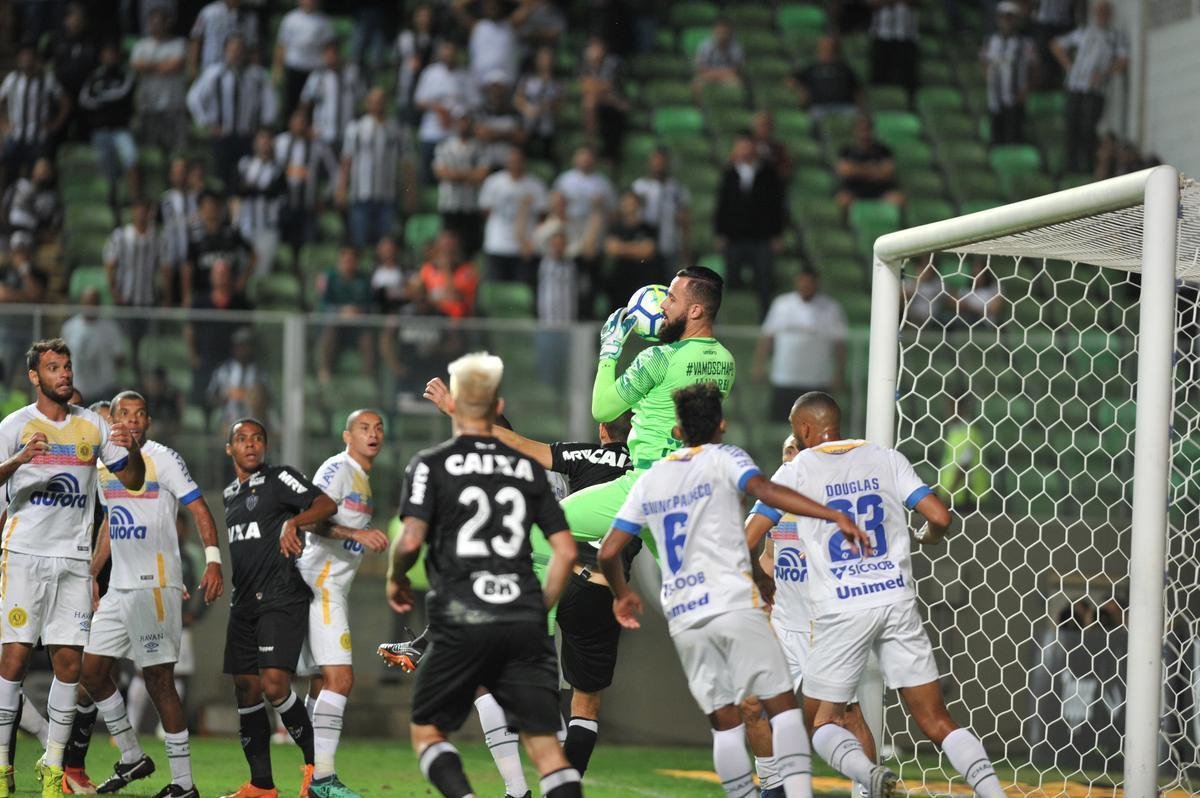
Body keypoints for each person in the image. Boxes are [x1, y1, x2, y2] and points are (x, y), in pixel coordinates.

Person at [597, 382, 871, 798]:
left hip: (689, 615)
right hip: (736, 604)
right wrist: (830, 514)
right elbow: (765, 493)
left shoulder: (650, 479)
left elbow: (609, 551)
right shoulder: (728, 459)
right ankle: (788, 791)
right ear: (721, 424)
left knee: (726, 722)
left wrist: (622, 593)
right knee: (780, 712)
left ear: (676, 430)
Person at [750, 391, 1008, 798]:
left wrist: (747, 578)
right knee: (936, 720)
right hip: (896, 600)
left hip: (841, 609)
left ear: (803, 429)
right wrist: (929, 535)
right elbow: (941, 515)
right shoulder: (886, 457)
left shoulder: (798, 470)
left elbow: (746, 537)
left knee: (822, 724)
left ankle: (870, 781)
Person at [551, 266, 736, 771]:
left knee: (544, 524)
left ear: (695, 309)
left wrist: (612, 349)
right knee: (696, 610)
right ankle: (746, 718)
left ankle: (538, 646)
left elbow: (603, 407)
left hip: (647, 486)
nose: (663, 305)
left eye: (671, 297)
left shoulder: (657, 358)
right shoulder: (723, 360)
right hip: (690, 494)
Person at [418, 378, 635, 789]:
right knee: (585, 704)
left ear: (604, 430)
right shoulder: (652, 471)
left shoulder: (572, 456)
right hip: (605, 589)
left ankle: (517, 788)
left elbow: (515, 449)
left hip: (553, 578)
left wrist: (454, 408)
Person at [385, 352, 582, 798]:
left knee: (429, 733)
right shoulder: (532, 470)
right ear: (498, 409)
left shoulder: (430, 464)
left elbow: (411, 540)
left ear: (455, 409)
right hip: (521, 615)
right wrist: (539, 608)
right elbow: (566, 551)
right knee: (548, 748)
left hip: (463, 616)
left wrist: (396, 577)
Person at [0, 338, 145, 795]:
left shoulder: (92, 427)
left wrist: (134, 447)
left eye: (67, 366)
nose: (64, 374)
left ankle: (52, 764)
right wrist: (20, 459)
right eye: (53, 367)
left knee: (69, 664)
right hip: (23, 555)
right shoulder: (15, 425)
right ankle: (3, 765)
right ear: (34, 377)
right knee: (14, 659)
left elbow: (134, 480)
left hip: (74, 561)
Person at [69, 391, 224, 797]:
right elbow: (110, 524)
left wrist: (212, 560)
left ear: (148, 422)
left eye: (140, 414)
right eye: (125, 414)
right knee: (91, 671)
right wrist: (92, 572)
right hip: (119, 588)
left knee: (159, 681)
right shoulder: (107, 462)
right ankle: (132, 755)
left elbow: (199, 507)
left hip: (155, 585)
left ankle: (184, 785)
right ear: (113, 419)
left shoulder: (164, 458)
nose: (133, 421)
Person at [744, 430, 882, 798]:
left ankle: (867, 790)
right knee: (752, 705)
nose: (790, 456)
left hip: (829, 628)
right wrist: (763, 584)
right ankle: (773, 790)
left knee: (844, 716)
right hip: (786, 626)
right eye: (786, 449)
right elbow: (767, 556)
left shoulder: (835, 498)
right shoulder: (774, 504)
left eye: (797, 449)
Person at [219, 417, 336, 798]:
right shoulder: (228, 495)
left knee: (274, 684)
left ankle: (316, 775)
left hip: (281, 596)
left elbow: (325, 503)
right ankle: (261, 785)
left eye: (257, 439)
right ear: (230, 449)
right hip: (244, 602)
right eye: (242, 439)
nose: (251, 445)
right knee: (246, 689)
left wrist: (294, 523)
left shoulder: (279, 478)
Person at [292, 410, 390, 798]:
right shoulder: (338, 468)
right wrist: (356, 533)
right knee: (340, 680)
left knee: (320, 684)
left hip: (332, 586)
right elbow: (309, 517)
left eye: (379, 428)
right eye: (364, 428)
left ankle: (312, 776)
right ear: (346, 434)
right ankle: (323, 781)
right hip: (320, 585)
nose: (374, 434)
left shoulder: (363, 478)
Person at [752, 269, 848, 420]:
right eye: (802, 281)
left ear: (816, 284)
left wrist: (839, 373)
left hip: (818, 380)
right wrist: (759, 365)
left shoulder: (831, 308)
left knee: (816, 424)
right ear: (797, 282)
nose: (806, 286)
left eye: (809, 282)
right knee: (781, 420)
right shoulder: (781, 304)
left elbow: (840, 344)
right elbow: (767, 337)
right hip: (784, 377)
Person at [186, 35, 278, 192]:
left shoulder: (257, 75)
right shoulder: (213, 74)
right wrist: (207, 122)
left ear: (245, 52)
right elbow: (193, 99)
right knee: (222, 179)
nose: (235, 54)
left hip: (248, 136)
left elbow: (271, 102)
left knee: (247, 180)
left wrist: (264, 127)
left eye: (239, 50)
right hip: (222, 135)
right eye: (232, 50)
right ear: (225, 51)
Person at [1050, 0, 1128, 175]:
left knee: (1088, 128)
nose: (1101, 16)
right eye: (1099, 12)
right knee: (1071, 125)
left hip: (1095, 90)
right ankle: (1071, 166)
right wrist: (1068, 65)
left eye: (1104, 12)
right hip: (1075, 86)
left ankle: (1087, 166)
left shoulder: (1115, 36)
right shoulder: (1084, 31)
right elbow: (1056, 45)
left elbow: (1123, 62)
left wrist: (1104, 74)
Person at [714, 134, 786, 318]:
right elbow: (722, 205)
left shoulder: (769, 173)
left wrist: (777, 234)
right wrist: (720, 233)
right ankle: (729, 319)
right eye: (740, 146)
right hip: (734, 238)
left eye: (747, 146)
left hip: (762, 238)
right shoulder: (729, 174)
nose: (744, 150)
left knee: (764, 281)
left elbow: (776, 206)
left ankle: (765, 321)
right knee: (731, 281)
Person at [337, 88, 407, 249]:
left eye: (381, 100)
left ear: (387, 103)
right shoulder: (356, 128)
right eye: (374, 101)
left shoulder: (396, 129)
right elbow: (347, 160)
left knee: (385, 244)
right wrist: (341, 187)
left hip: (388, 195)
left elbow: (406, 163)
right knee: (359, 242)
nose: (378, 104)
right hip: (361, 194)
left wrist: (409, 192)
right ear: (367, 103)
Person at [79, 41, 139, 223]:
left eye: (113, 53)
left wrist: (102, 96)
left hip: (121, 130)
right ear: (102, 56)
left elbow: (123, 93)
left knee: (131, 158)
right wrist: (105, 99)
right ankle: (113, 199)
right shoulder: (96, 75)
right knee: (108, 168)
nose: (110, 56)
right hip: (101, 131)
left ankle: (135, 200)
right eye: (107, 53)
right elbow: (84, 99)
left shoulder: (125, 74)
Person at [274, 109, 339, 272]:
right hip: (283, 205)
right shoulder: (279, 143)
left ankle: (306, 276)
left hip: (308, 206)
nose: (300, 126)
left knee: (307, 247)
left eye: (303, 122)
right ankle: (287, 274)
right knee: (283, 247)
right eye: (296, 121)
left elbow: (334, 173)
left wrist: (325, 197)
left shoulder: (318, 147)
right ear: (290, 123)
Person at [0, 44, 69, 190]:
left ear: (36, 59)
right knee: (9, 177)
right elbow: (2, 101)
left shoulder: (47, 80)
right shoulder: (12, 79)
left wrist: (56, 123)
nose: (26, 60)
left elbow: (65, 102)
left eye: (29, 57)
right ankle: (7, 207)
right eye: (23, 57)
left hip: (38, 139)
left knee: (40, 178)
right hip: (15, 137)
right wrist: (4, 124)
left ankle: (37, 209)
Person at [413, 42, 478, 185]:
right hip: (431, 132)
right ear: (441, 55)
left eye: (452, 54)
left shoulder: (466, 76)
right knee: (428, 176)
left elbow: (475, 103)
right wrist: (437, 108)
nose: (448, 57)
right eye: (446, 54)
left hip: (455, 133)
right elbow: (419, 101)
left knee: (453, 174)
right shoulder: (430, 73)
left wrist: (455, 112)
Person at [479, 148, 547, 284]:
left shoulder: (536, 185)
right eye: (511, 161)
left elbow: (542, 218)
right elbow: (486, 211)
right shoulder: (493, 182)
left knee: (523, 290)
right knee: (496, 288)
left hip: (524, 248)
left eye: (518, 161)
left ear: (524, 162)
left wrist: (532, 243)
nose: (515, 164)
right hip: (497, 244)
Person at [131, 8, 188, 157]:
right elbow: (137, 65)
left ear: (167, 23)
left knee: (177, 153)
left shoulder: (179, 43)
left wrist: (149, 67)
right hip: (148, 106)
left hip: (173, 106)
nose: (154, 26)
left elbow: (175, 65)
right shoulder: (141, 45)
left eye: (158, 22)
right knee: (151, 154)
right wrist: (163, 65)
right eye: (152, 22)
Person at [183, 190, 254, 308]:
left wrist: (243, 278)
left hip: (231, 294)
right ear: (201, 210)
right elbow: (188, 267)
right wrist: (187, 294)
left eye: (213, 206)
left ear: (219, 208)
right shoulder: (195, 237)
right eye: (206, 206)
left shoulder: (231, 233)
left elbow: (254, 255)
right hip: (203, 293)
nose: (210, 210)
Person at [433, 110, 488, 259]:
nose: (463, 124)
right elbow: (440, 172)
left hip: (471, 205)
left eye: (466, 121)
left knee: (470, 248)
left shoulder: (479, 147)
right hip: (449, 203)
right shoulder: (445, 146)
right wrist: (468, 175)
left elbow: (481, 174)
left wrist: (455, 174)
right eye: (460, 121)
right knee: (448, 246)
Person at [316, 245, 374, 386]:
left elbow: (370, 304)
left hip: (357, 325)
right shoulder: (329, 277)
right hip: (336, 324)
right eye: (345, 260)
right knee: (329, 331)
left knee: (367, 338)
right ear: (340, 261)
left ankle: (368, 377)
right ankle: (324, 370)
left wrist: (358, 311)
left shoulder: (364, 279)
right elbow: (323, 304)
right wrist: (340, 311)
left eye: (352, 260)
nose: (348, 263)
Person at [982, 3, 1038, 145]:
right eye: (1003, 18)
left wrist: (1027, 88)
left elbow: (1034, 66)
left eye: (1010, 18)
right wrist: (988, 77)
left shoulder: (1025, 43)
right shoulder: (990, 40)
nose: (1006, 21)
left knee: (1013, 134)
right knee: (996, 134)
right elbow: (984, 60)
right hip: (995, 95)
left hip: (1016, 95)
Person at [59, 287, 126, 403]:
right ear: (81, 303)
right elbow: (61, 356)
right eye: (87, 302)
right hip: (77, 389)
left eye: (94, 302)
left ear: (99, 304)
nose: (90, 306)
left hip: (105, 389)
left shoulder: (111, 328)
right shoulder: (69, 328)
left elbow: (119, 357)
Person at [236, 128, 285, 278]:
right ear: (255, 143)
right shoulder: (245, 164)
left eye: (267, 140)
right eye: (261, 139)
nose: (264, 143)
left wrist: (252, 188)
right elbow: (239, 190)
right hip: (245, 225)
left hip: (268, 227)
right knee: (242, 270)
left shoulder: (278, 168)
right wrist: (259, 189)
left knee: (262, 272)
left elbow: (274, 191)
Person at [630, 147, 691, 270]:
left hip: (669, 245)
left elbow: (684, 221)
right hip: (644, 244)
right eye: (655, 160)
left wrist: (685, 251)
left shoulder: (677, 189)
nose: (658, 164)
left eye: (662, 161)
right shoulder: (640, 186)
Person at [835, 115, 905, 217]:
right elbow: (845, 171)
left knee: (899, 199)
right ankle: (846, 228)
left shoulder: (883, 150)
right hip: (855, 189)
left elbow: (886, 173)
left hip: (880, 189)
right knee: (842, 199)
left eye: (867, 130)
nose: (864, 134)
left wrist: (857, 169)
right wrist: (872, 169)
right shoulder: (847, 151)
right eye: (861, 130)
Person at [273, 0, 335, 117]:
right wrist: (277, 70)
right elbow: (282, 46)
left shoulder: (324, 21)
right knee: (291, 105)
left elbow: (330, 48)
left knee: (312, 107)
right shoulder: (290, 19)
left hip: (315, 70)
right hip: (294, 69)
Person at [300, 41, 363, 153]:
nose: (331, 57)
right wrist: (307, 127)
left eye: (334, 53)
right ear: (323, 56)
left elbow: (363, 100)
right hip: (322, 135)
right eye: (328, 53)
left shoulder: (351, 74)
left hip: (348, 133)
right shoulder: (317, 76)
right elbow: (305, 103)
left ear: (339, 54)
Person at [207, 329, 272, 432]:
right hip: (228, 420)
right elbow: (210, 397)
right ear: (234, 348)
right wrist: (224, 398)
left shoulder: (260, 372)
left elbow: (269, 399)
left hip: (253, 421)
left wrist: (255, 398)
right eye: (240, 346)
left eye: (246, 346)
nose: (243, 350)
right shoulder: (223, 370)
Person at [602, 191, 658, 309]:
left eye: (632, 203)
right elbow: (612, 249)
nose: (629, 206)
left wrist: (622, 247)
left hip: (641, 283)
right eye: (626, 203)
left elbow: (648, 251)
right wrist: (637, 247)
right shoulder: (615, 228)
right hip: (619, 283)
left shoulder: (647, 228)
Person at [578, 37, 628, 165]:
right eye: (591, 48)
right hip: (601, 101)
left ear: (603, 49)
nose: (592, 52)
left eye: (596, 48)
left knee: (592, 102)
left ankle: (600, 149)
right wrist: (597, 89)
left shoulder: (613, 62)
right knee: (589, 102)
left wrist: (595, 88)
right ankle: (591, 145)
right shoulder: (586, 64)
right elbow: (584, 87)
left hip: (616, 101)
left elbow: (608, 86)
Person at [789, 35, 863, 119]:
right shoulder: (811, 69)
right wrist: (801, 91)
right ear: (818, 50)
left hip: (844, 107)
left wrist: (862, 109)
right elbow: (791, 81)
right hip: (819, 108)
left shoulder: (845, 69)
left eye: (830, 49)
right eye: (824, 49)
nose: (827, 52)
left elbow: (858, 91)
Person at [393, 4, 440, 127]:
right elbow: (396, 61)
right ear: (414, 18)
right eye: (421, 16)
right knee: (404, 126)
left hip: (425, 87)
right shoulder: (405, 37)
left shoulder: (435, 41)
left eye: (427, 16)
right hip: (406, 86)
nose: (424, 20)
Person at [514, 46, 561, 166]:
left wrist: (546, 107)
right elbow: (517, 99)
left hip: (547, 126)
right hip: (528, 124)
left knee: (547, 157)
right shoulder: (528, 79)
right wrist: (527, 108)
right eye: (543, 58)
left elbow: (559, 105)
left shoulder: (556, 83)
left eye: (548, 58)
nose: (545, 61)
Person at [455, 0, 520, 87]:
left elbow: (530, 5)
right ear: (483, 6)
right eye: (488, 4)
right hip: (479, 83)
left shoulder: (510, 25)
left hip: (505, 82)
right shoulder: (477, 26)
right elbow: (457, 6)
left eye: (494, 4)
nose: (492, 7)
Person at [416, 231, 479, 319]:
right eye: (442, 249)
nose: (445, 253)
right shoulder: (427, 269)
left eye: (449, 250)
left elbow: (454, 295)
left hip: (458, 319)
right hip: (432, 315)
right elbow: (418, 295)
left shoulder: (467, 270)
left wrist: (446, 268)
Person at [188, 0, 259, 77]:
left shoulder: (249, 17)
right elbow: (196, 40)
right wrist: (192, 68)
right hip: (209, 67)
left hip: (238, 73)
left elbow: (253, 48)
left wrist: (254, 74)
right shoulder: (209, 11)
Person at [867, 0, 920, 105]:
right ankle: (877, 106)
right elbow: (872, 3)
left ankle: (907, 107)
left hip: (906, 36)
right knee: (878, 77)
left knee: (907, 79)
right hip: (881, 35)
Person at [475, 74, 526, 172]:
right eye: (493, 88)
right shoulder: (481, 111)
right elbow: (481, 134)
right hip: (485, 163)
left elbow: (521, 137)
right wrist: (508, 134)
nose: (496, 92)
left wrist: (493, 134)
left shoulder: (514, 112)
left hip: (508, 163)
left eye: (499, 88)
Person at [690, 18, 745, 101]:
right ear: (714, 32)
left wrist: (720, 75)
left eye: (725, 32)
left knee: (737, 84)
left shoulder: (736, 48)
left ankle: (730, 108)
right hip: (708, 74)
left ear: (730, 33)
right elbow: (700, 69)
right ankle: (700, 110)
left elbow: (735, 70)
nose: (722, 35)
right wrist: (715, 75)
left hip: (726, 75)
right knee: (696, 84)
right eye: (719, 32)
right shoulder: (704, 46)